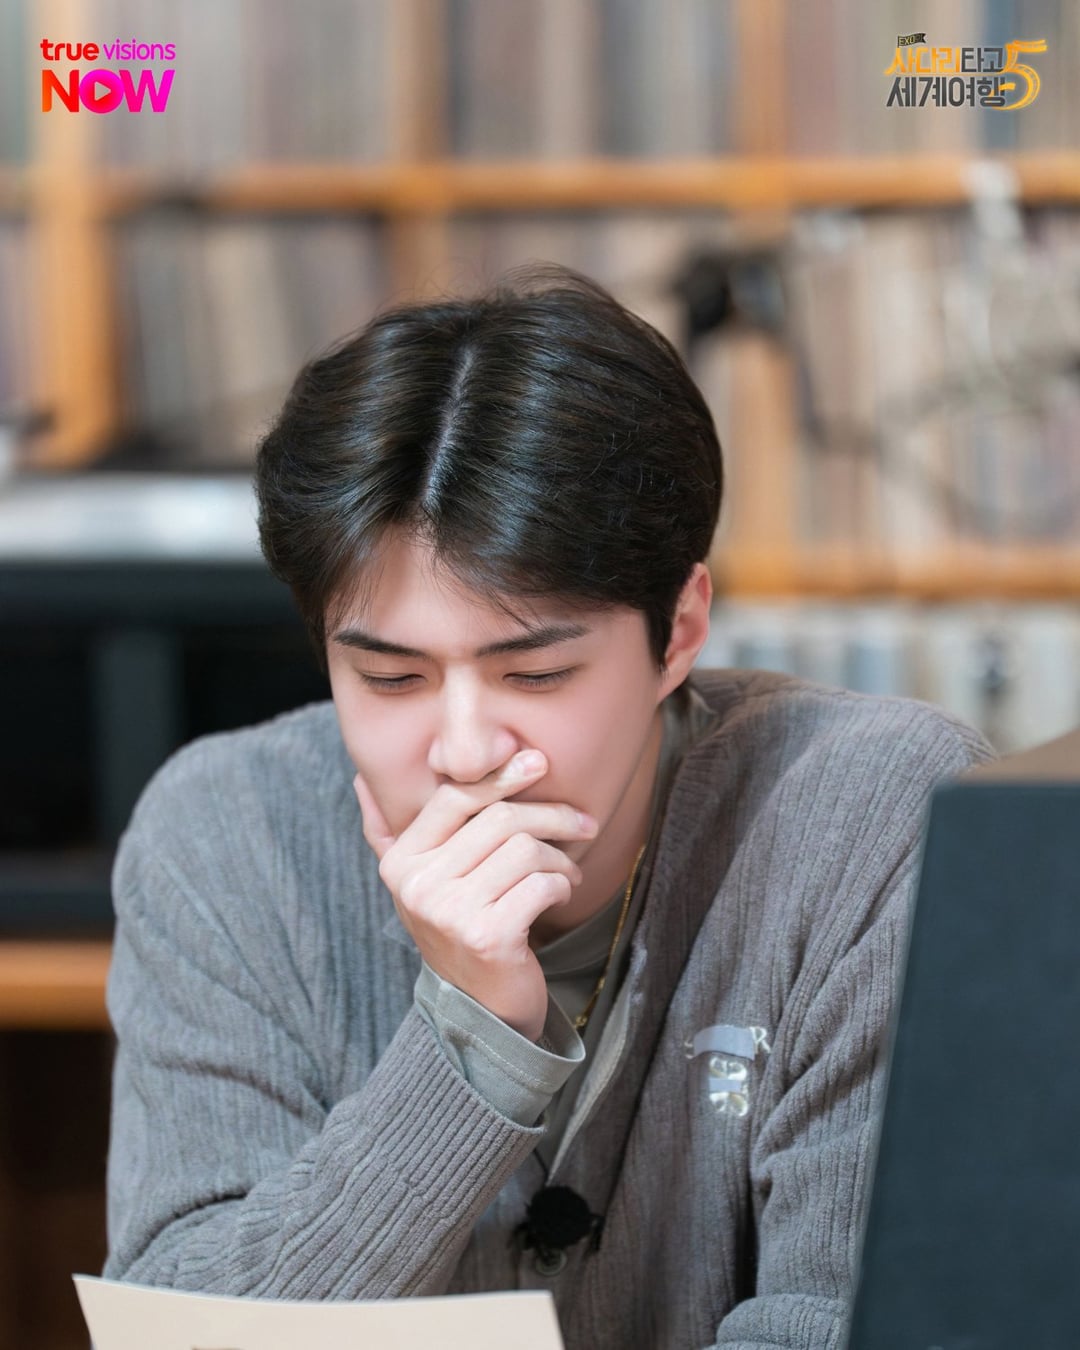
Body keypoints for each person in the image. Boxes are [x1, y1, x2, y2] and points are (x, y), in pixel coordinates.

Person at [104, 264, 994, 1348]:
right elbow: (183, 1325)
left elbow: (859, 1321)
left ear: (679, 631)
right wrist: (471, 1032)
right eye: (390, 677)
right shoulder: (224, 835)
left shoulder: (873, 816)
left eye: (535, 674)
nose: (464, 751)